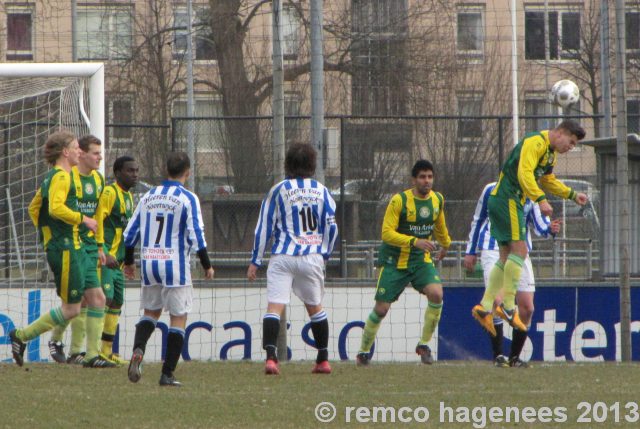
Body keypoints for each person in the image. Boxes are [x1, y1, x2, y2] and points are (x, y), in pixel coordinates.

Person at [471, 120, 588, 338]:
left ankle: (484, 306)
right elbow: (525, 174)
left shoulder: (550, 154)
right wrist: (541, 200)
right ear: (561, 132)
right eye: (571, 142)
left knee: (506, 256)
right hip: (508, 199)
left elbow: (548, 180)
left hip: (507, 201)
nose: (570, 148)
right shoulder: (535, 142)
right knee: (521, 251)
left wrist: (572, 194)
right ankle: (507, 307)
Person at [11, 131, 113, 368]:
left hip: (76, 246)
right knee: (72, 309)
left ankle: (92, 356)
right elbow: (55, 208)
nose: (80, 151)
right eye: (77, 147)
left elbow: (35, 207)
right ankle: (21, 336)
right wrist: (80, 221)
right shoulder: (61, 177)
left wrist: (47, 228)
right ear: (66, 152)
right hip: (65, 248)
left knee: (97, 298)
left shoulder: (61, 176)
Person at [123, 152, 214, 387]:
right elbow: (197, 235)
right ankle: (167, 374)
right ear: (188, 171)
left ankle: (139, 349)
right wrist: (207, 264)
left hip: (150, 264)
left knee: (150, 313)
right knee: (178, 318)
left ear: (166, 170)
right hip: (175, 266)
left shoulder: (148, 196)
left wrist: (129, 262)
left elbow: (130, 233)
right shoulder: (188, 198)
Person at [247, 143, 338, 375]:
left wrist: (255, 261)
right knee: (315, 308)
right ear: (312, 165)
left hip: (283, 255)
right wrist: (324, 253)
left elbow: (263, 227)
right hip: (312, 256)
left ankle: (270, 358)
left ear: (287, 164)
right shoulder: (322, 191)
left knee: (274, 306)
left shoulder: (278, 190)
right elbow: (332, 227)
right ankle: (323, 360)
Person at [356, 160, 451, 366]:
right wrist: (414, 241)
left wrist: (446, 244)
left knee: (437, 293)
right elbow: (386, 233)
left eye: (430, 177)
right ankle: (363, 352)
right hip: (394, 262)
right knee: (381, 309)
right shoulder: (399, 201)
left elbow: (439, 224)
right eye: (422, 177)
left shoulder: (437, 200)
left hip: (420, 261)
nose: (427, 181)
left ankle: (424, 345)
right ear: (413, 180)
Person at [464, 182, 561, 367]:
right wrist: (471, 251)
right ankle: (498, 356)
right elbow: (478, 219)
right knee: (497, 300)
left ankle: (514, 358)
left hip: (520, 252)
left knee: (527, 308)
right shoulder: (491, 190)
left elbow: (540, 226)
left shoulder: (530, 192)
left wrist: (551, 229)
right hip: (493, 250)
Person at [47, 134, 109, 365]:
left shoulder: (99, 181)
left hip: (90, 247)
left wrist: (100, 245)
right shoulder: (65, 176)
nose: (99, 158)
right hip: (70, 246)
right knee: (76, 302)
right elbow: (49, 207)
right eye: (95, 153)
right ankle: (57, 339)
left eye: (100, 153)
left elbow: (97, 217)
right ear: (80, 153)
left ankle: (82, 353)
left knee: (94, 298)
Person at [95, 156, 139, 365]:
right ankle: (93, 351)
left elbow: (128, 234)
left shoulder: (129, 197)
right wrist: (103, 250)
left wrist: (129, 261)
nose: (135, 174)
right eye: (130, 171)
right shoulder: (109, 193)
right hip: (106, 261)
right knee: (106, 299)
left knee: (116, 303)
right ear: (118, 172)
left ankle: (106, 350)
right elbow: (97, 222)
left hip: (119, 264)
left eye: (136, 171)